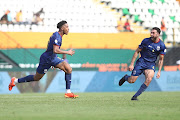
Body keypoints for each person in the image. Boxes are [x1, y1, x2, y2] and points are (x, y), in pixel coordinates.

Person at [9, 20, 79, 98]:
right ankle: (15, 80)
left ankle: (68, 92)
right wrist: (67, 52)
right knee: (37, 78)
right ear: (62, 28)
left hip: (53, 58)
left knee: (68, 68)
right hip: (46, 60)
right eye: (66, 27)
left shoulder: (58, 35)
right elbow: (55, 50)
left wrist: (54, 62)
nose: (68, 28)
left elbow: (53, 50)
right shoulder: (57, 37)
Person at [119, 27, 166, 100]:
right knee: (132, 81)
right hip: (141, 62)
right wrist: (132, 64)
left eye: (153, 33)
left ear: (158, 34)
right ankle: (125, 77)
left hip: (150, 64)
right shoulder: (145, 41)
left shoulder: (161, 45)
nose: (151, 34)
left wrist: (159, 71)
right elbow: (137, 51)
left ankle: (135, 96)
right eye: (151, 32)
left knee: (149, 79)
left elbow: (161, 60)